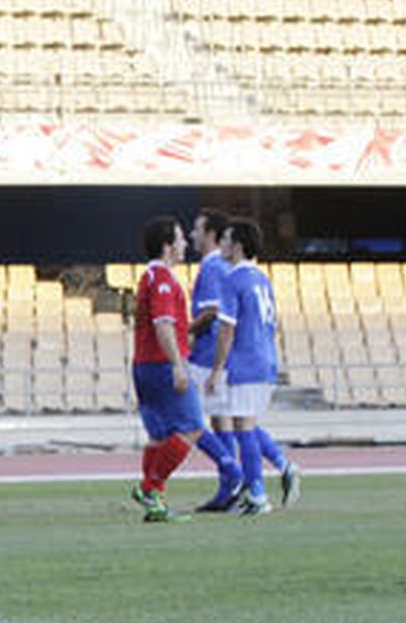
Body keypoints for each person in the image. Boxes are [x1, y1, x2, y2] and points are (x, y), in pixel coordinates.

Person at [208, 218, 299, 515]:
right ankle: (278, 469)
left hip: (245, 360)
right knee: (242, 422)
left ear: (238, 246)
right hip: (264, 358)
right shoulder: (261, 278)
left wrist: (217, 368)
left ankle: (258, 493)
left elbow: (227, 329)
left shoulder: (233, 279)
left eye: (227, 239)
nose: (222, 244)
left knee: (242, 427)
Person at [128, 216, 203, 523]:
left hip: (145, 363)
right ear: (168, 245)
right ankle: (152, 487)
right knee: (192, 427)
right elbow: (163, 323)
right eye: (180, 238)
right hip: (160, 364)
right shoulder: (161, 278)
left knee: (160, 436)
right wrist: (177, 364)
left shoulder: (151, 276)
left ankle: (154, 501)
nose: (185, 243)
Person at [185, 209, 247, 512]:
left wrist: (185, 331)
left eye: (197, 230)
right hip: (216, 355)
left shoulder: (211, 267)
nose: (192, 235)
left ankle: (233, 477)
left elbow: (210, 312)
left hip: (207, 356)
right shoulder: (223, 267)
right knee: (220, 418)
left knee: (187, 418)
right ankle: (231, 487)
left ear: (210, 234)